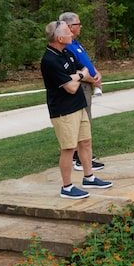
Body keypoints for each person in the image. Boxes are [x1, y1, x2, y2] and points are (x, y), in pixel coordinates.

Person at [40, 20, 112, 199]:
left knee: (85, 142)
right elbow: (71, 86)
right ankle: (67, 187)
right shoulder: (49, 60)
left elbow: (83, 70)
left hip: (78, 106)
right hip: (64, 111)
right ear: (59, 37)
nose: (72, 34)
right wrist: (80, 75)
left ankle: (89, 177)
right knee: (69, 148)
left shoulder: (66, 53)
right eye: (67, 32)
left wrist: (77, 75)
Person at [58, 12, 105, 172]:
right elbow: (74, 69)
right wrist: (93, 80)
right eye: (78, 24)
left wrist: (96, 73)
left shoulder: (75, 43)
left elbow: (85, 62)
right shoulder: (67, 46)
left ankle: (85, 156)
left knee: (87, 121)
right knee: (81, 122)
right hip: (81, 87)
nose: (81, 26)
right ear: (70, 27)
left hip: (88, 85)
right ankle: (79, 159)